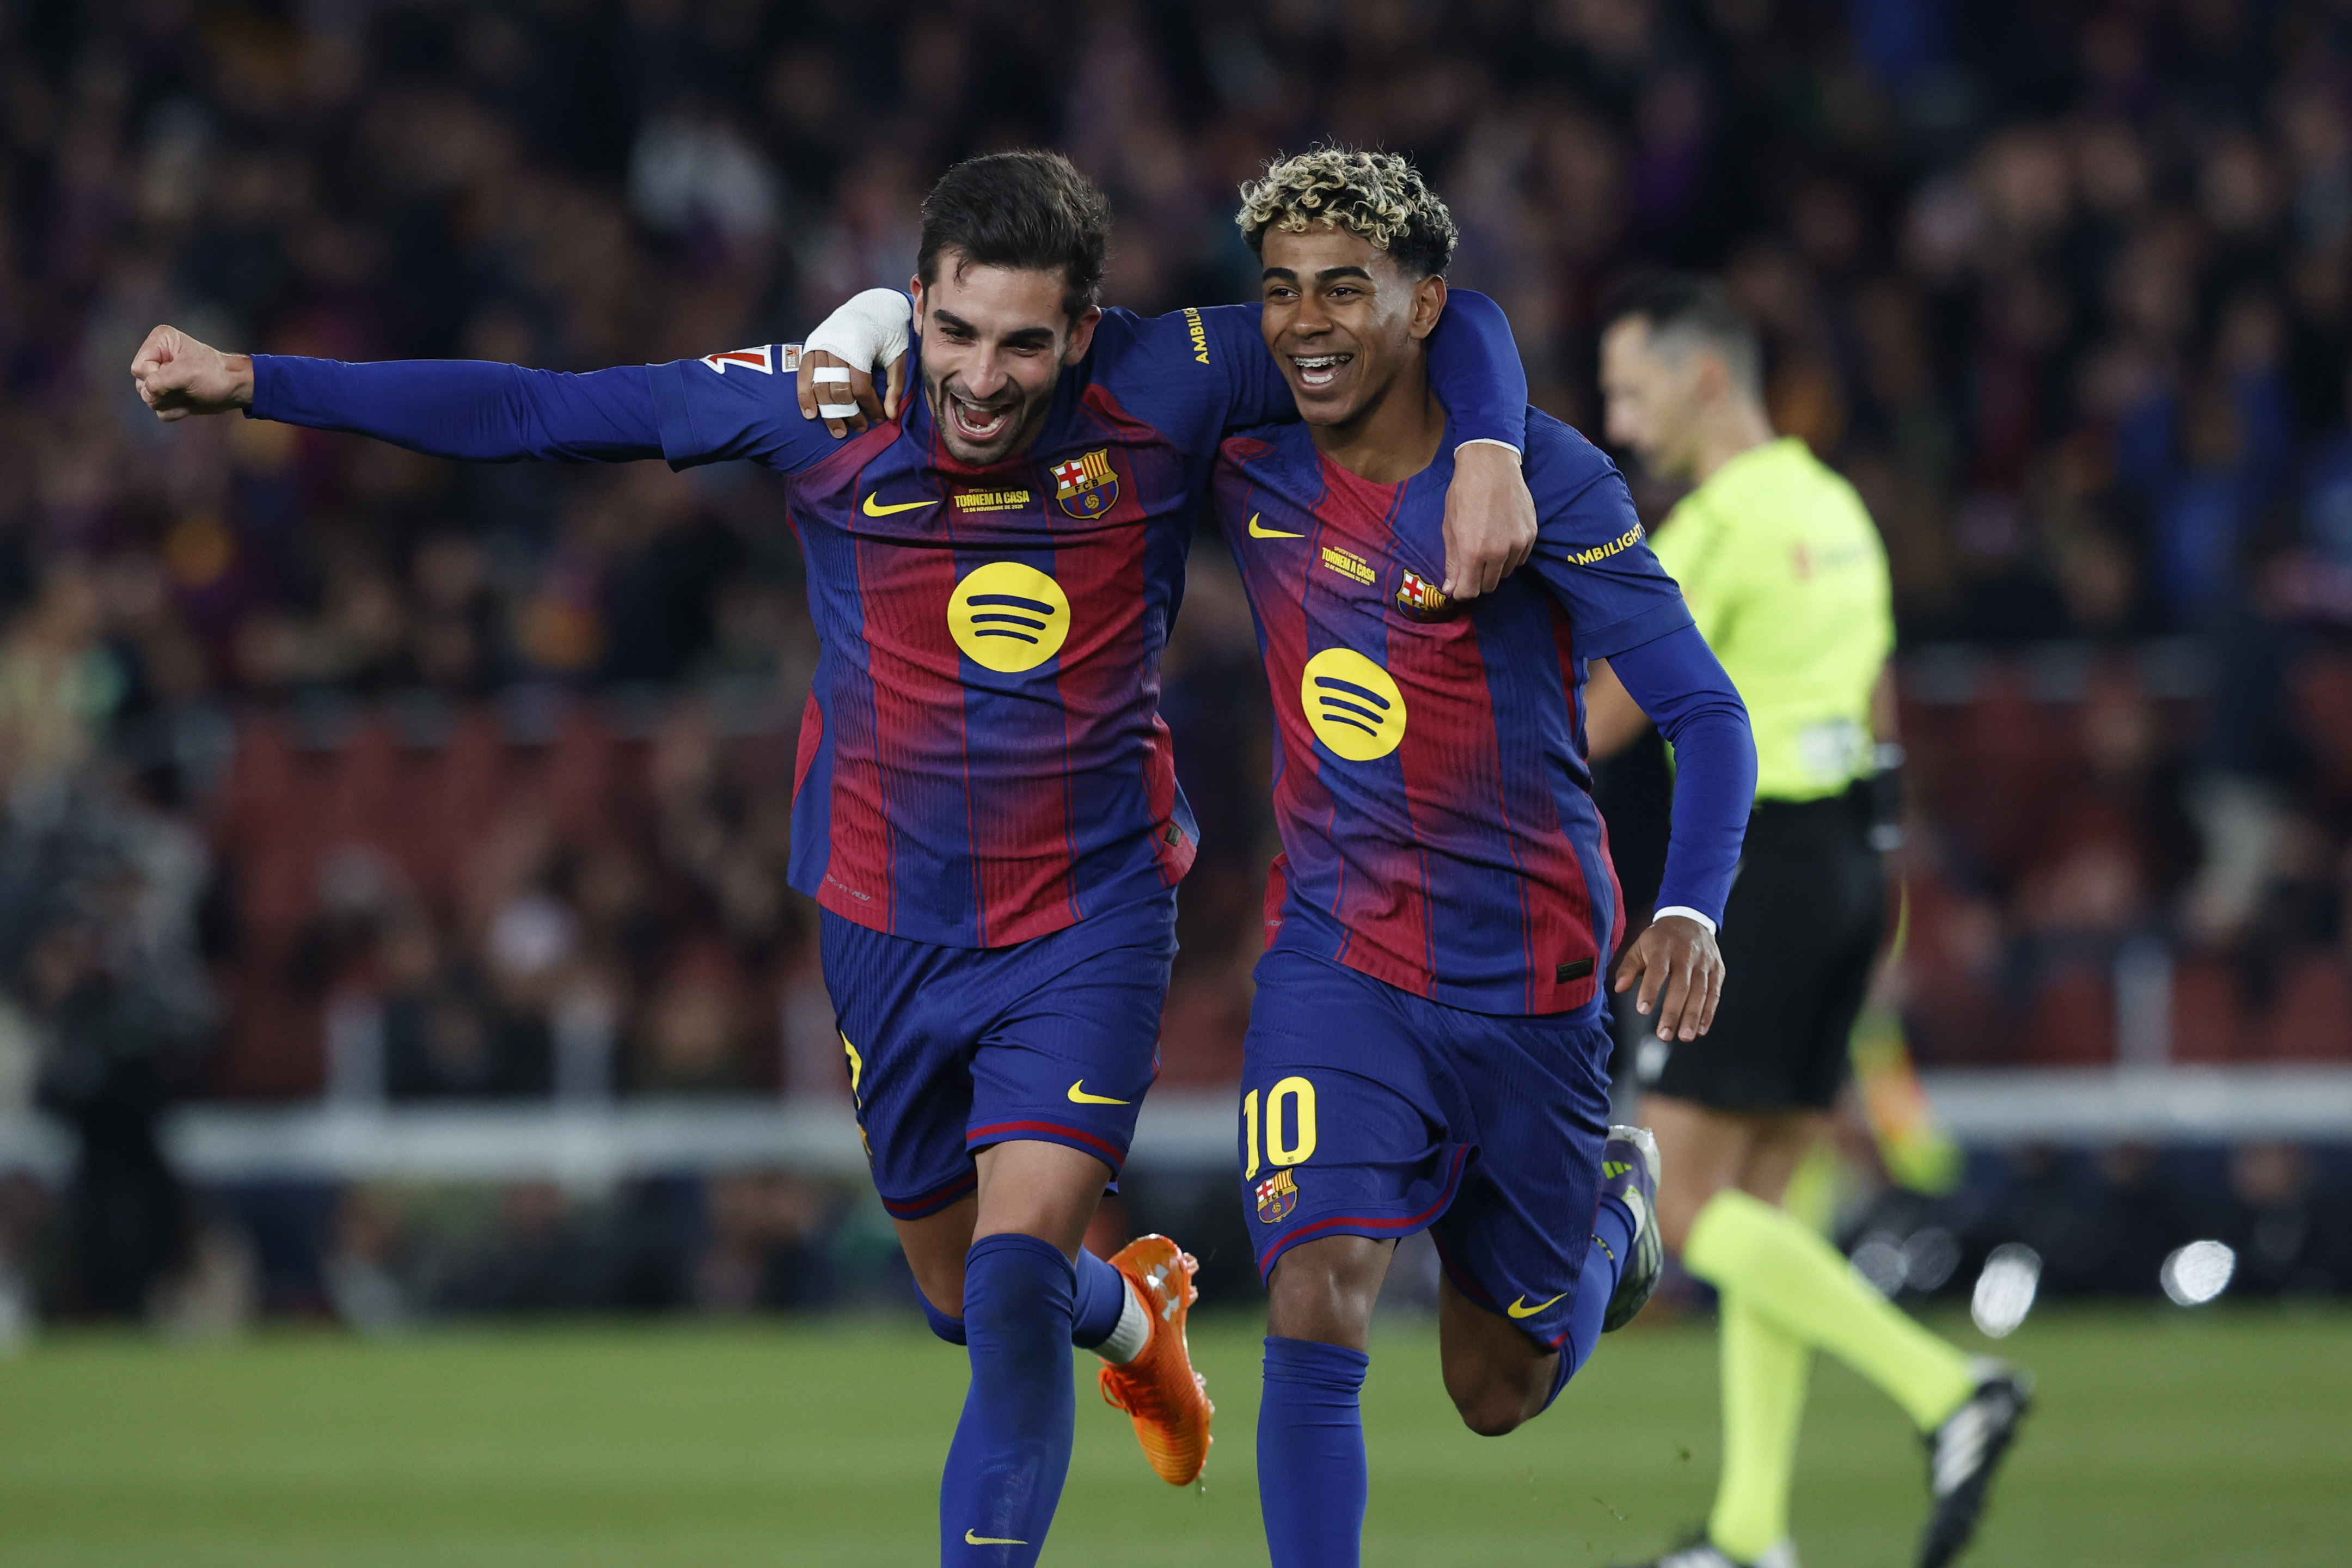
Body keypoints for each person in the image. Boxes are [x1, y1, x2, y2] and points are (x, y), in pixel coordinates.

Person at [128, 149, 1539, 1567]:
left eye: (1026, 342)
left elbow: (1442, 313)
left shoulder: (1167, 380)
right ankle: (1132, 1316)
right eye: (956, 331)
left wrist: (1486, 448)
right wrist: (258, 381)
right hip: (883, 921)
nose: (983, 377)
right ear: (913, 301)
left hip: (1090, 920)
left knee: (1002, 1292)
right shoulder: (814, 401)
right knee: (955, 1290)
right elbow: (529, 410)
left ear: (1088, 325)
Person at [1204, 148, 1755, 1568]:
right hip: (1339, 956)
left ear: (1425, 304)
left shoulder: (1546, 478)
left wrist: (1691, 906)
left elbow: (1704, 710)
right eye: (1281, 292)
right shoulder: (1247, 435)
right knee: (1317, 1290)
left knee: (1490, 1392)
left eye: (1346, 291)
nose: (1308, 323)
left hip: (1529, 977)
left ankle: (1610, 1229)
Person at [1588, 273, 2031, 1568]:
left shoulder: (1717, 525)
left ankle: (1951, 1391)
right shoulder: (1840, 512)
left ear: (1706, 377)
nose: (1618, 419)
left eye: (1632, 386)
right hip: (1852, 863)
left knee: (1678, 1204)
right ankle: (1749, 1532)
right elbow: (1883, 710)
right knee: (1765, 1198)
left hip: (1752, 870)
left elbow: (1608, 718)